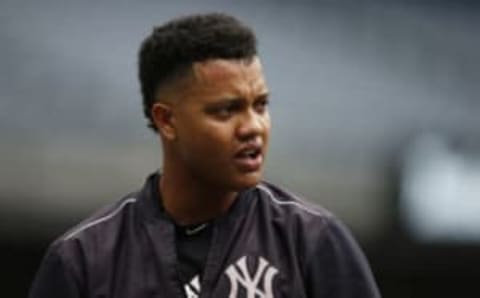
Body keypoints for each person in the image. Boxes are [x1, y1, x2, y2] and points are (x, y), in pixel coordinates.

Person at [29, 13, 380, 298]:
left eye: (261, 105)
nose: (253, 127)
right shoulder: (84, 260)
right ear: (166, 120)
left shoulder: (314, 241)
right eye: (227, 111)